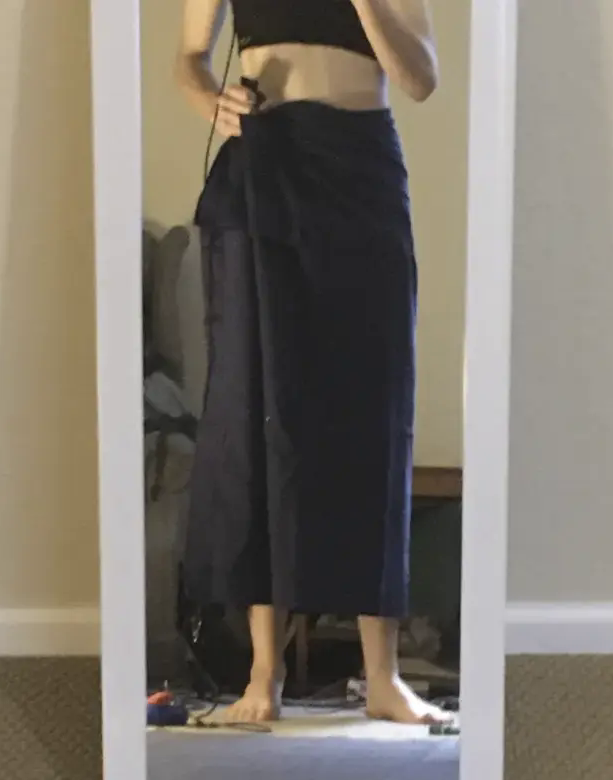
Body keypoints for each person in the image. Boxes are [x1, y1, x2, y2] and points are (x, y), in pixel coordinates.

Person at [176, 0, 450, 725]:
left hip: (358, 166)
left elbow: (420, 79)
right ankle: (261, 676)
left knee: (370, 406)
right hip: (264, 161)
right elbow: (189, 56)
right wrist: (209, 99)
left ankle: (383, 677)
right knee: (256, 401)